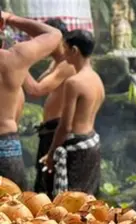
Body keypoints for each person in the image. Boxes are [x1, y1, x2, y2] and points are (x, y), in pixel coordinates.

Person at [0, 11, 63, 190]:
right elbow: (54, 34)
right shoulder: (14, 58)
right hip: (6, 146)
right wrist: (11, 18)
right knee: (14, 212)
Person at [41, 29, 104, 196]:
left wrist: (51, 153)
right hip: (92, 144)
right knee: (88, 198)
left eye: (65, 48)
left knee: (71, 201)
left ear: (74, 50)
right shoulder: (97, 80)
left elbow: (66, 126)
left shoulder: (74, 83)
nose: (63, 53)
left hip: (76, 147)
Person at [22, 18, 77, 196]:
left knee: (50, 187)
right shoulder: (55, 62)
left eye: (43, 38)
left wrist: (17, 63)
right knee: (43, 184)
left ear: (57, 39)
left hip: (57, 130)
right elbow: (35, 87)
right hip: (48, 129)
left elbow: (36, 90)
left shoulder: (67, 65)